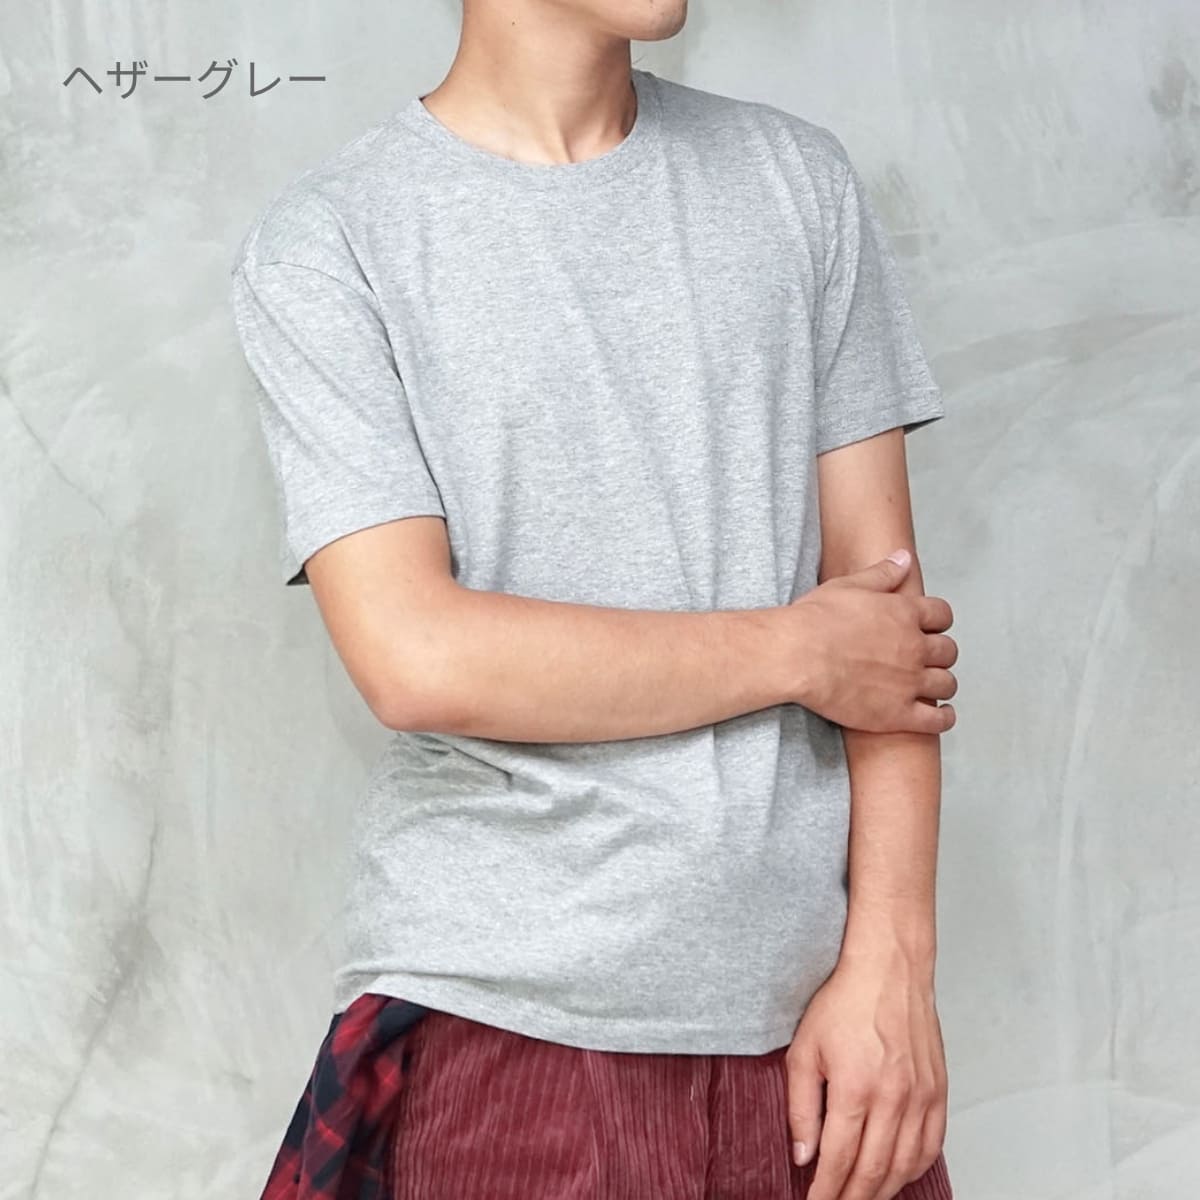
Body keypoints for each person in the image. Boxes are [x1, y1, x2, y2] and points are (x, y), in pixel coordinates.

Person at [229, 3, 960, 1198]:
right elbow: (418, 658)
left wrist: (896, 967)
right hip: (509, 1027)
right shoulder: (332, 240)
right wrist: (796, 650)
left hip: (818, 1043)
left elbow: (887, 641)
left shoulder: (796, 184)